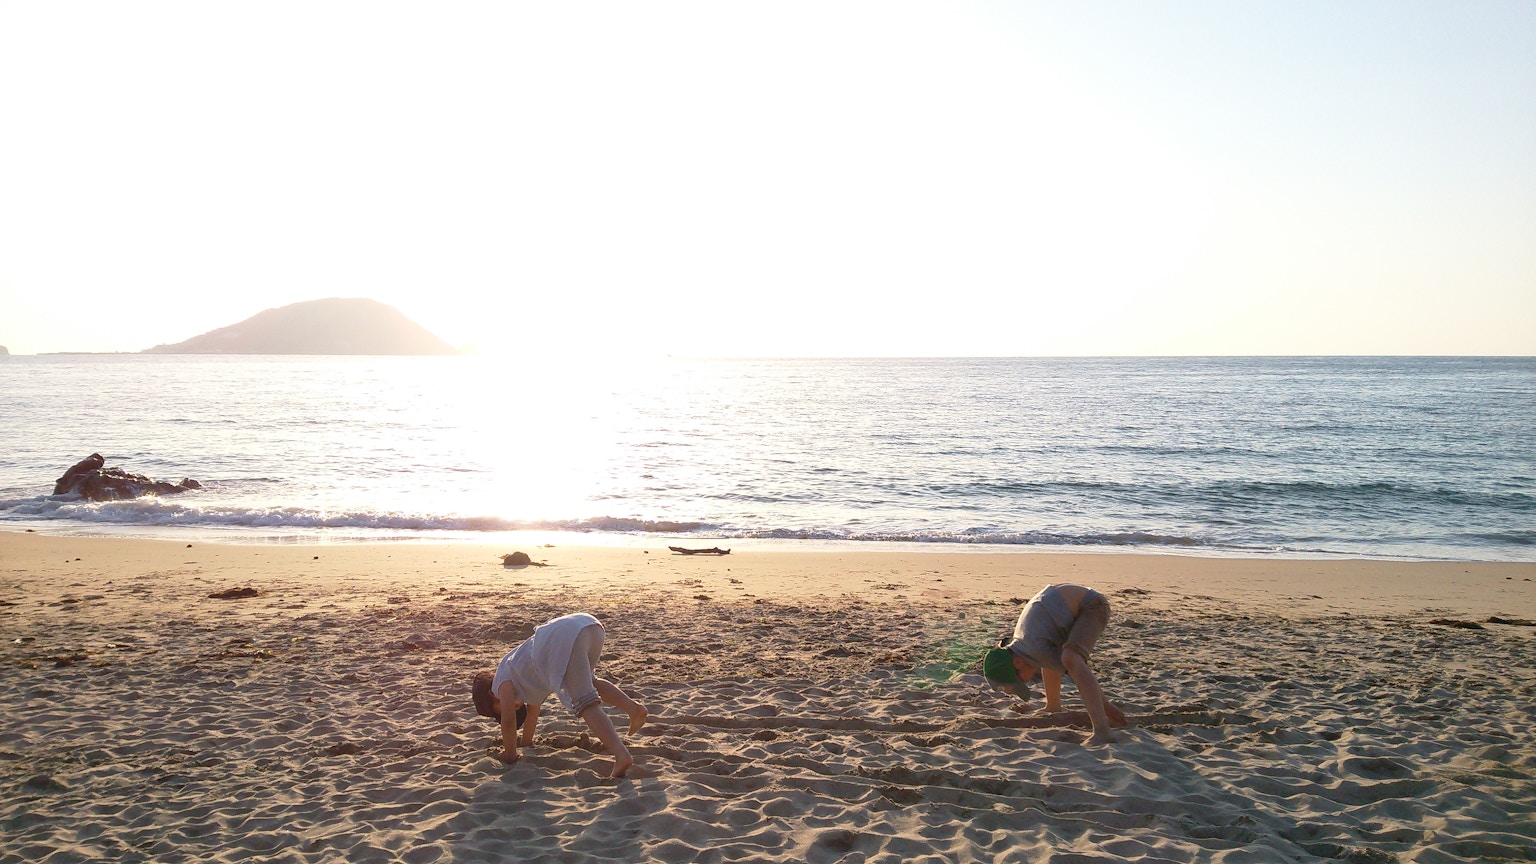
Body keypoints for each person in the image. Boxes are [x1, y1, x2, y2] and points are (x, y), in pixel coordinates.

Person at [471, 611, 648, 778]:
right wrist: (526, 743)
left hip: (565, 639)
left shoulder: (500, 681)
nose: (510, 708)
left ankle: (621, 755)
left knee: (585, 701)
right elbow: (533, 713)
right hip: (589, 626)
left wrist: (510, 755)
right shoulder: (522, 678)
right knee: (590, 682)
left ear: (490, 695)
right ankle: (634, 710)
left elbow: (508, 720)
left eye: (498, 711)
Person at [982, 583, 1129, 745]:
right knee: (1053, 659)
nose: (1026, 681)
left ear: (1017, 662)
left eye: (1021, 679)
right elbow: (1049, 660)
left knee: (1071, 659)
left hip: (1092, 606)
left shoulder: (1034, 648)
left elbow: (1079, 672)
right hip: (1066, 612)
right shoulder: (1023, 644)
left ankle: (1102, 731)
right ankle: (1053, 705)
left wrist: (1107, 708)